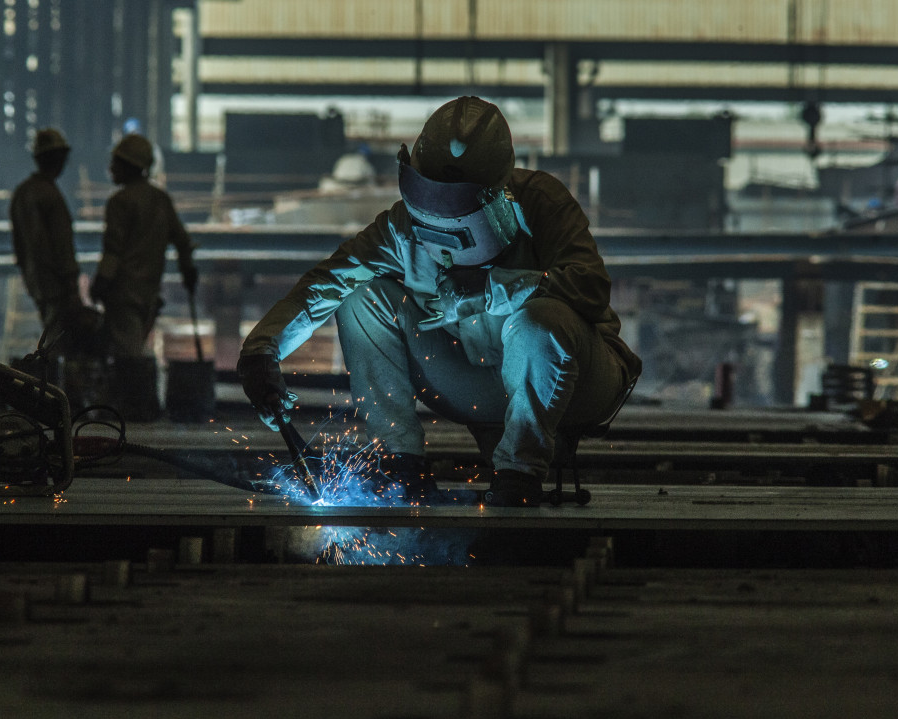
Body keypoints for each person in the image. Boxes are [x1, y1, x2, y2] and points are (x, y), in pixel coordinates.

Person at [237, 96, 641, 507]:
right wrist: (262, 348)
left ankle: (518, 476)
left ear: (497, 196)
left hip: (576, 382)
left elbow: (590, 288)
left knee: (540, 321)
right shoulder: (402, 228)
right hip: (476, 381)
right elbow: (327, 283)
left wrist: (495, 288)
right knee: (362, 298)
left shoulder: (541, 203)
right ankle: (400, 464)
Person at [91, 133, 198, 418]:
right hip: (148, 291)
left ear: (129, 166)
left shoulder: (119, 202)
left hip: (123, 291)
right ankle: (142, 407)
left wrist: (100, 283)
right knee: (135, 347)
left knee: (128, 354)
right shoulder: (161, 200)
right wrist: (189, 270)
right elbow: (182, 240)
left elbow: (113, 250)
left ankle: (138, 410)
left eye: (115, 163)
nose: (111, 168)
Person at [9, 128, 86, 346]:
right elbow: (62, 246)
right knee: (59, 343)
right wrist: (71, 286)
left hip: (36, 282)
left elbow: (19, 246)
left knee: (51, 334)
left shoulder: (22, 193)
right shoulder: (50, 195)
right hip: (56, 284)